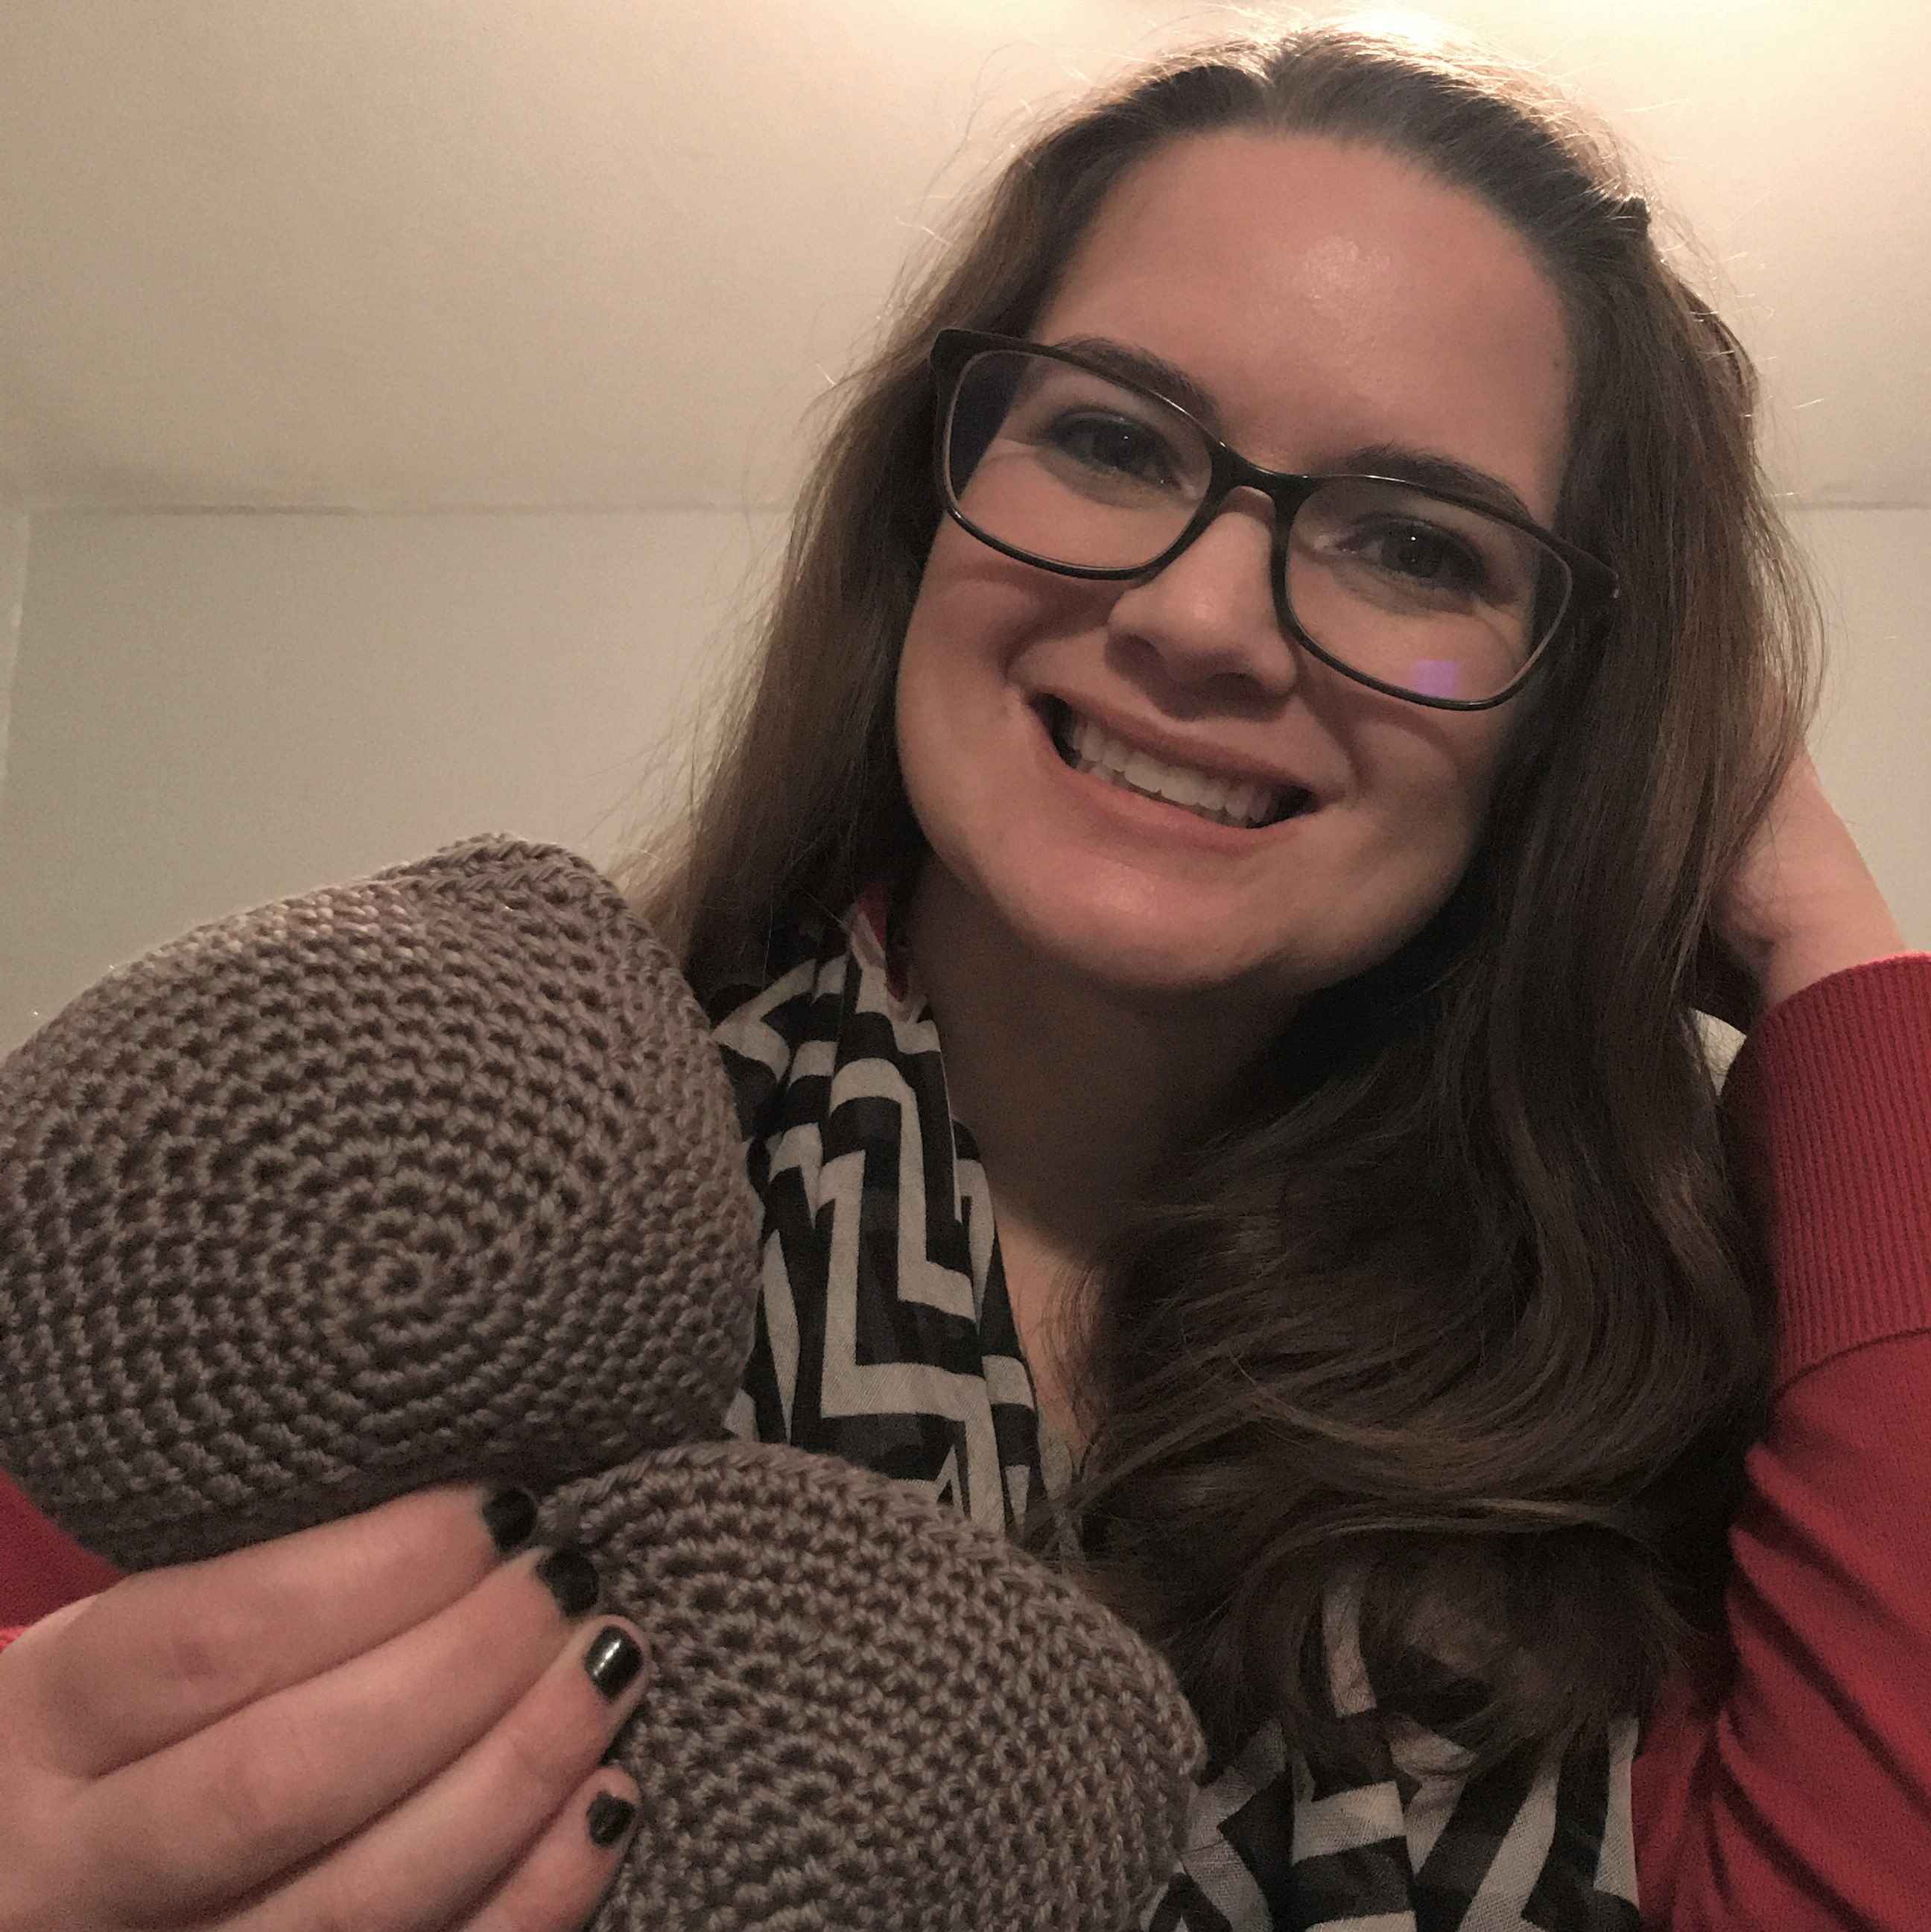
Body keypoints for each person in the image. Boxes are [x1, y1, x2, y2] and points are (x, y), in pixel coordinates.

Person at [2, 19, 1927, 1931]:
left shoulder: (1663, 1447)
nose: (1196, 616)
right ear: (927, 510)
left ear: (1559, 723)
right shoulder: (404, 1206)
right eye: (1107, 436)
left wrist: (1828, 935)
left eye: (1416, 544)